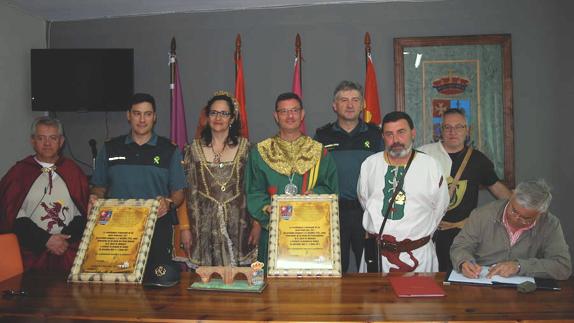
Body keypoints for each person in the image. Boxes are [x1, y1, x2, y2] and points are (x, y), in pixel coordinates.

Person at [90, 93, 186, 279]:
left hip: (155, 228)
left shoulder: (169, 150)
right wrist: (94, 197)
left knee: (156, 285)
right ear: (128, 115)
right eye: (137, 114)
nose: (142, 120)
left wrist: (168, 202)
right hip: (116, 232)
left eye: (147, 114)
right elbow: (99, 186)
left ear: (154, 117)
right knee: (117, 285)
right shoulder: (110, 148)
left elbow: (179, 192)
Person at [245, 92, 339, 265]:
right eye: (284, 111)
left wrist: (315, 196)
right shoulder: (260, 152)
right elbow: (253, 191)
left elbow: (331, 189)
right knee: (274, 287)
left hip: (310, 233)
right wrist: (267, 209)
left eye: (294, 110)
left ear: (302, 114)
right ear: (276, 116)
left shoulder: (319, 152)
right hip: (275, 231)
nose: (290, 116)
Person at [418, 108, 512, 272]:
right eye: (447, 127)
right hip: (427, 233)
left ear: (467, 130)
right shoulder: (424, 154)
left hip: (462, 236)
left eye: (459, 127)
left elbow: (499, 190)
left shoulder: (477, 160)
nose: (452, 132)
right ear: (441, 130)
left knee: (460, 279)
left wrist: (522, 207)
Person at [358, 111, 449, 272]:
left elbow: (440, 208)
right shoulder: (370, 165)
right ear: (383, 137)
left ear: (412, 133)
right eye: (389, 134)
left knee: (420, 297)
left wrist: (414, 236)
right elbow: (365, 202)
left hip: (418, 257)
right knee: (374, 297)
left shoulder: (430, 166)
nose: (395, 140)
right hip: (378, 256)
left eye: (401, 132)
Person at [180, 91, 259, 266]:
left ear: (232, 119)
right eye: (214, 112)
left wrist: (257, 224)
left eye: (224, 113)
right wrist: (185, 227)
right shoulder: (193, 150)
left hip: (240, 229)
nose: (218, 117)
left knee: (239, 286)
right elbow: (185, 191)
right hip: (203, 230)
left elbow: (255, 189)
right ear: (207, 117)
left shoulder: (247, 149)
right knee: (206, 287)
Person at [0, 117, 89, 271]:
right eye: (41, 138)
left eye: (53, 138)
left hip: (67, 254)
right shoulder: (18, 173)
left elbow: (82, 214)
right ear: (33, 141)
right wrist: (45, 240)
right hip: (31, 256)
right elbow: (11, 215)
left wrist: (61, 241)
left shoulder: (74, 172)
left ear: (61, 141)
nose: (47, 143)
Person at [314, 81, 382, 273]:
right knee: (335, 269)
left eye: (355, 100)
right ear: (334, 106)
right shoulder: (322, 136)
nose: (350, 105)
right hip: (334, 214)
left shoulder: (376, 135)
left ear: (362, 105)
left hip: (368, 213)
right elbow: (315, 175)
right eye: (344, 100)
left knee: (371, 269)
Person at [450, 180, 571, 280]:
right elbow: (460, 246)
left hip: (526, 291)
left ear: (540, 213)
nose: (516, 219)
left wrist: (519, 266)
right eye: (514, 211)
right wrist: (463, 262)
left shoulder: (549, 224)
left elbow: (562, 267)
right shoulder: (482, 215)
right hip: (482, 281)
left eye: (526, 218)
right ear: (512, 196)